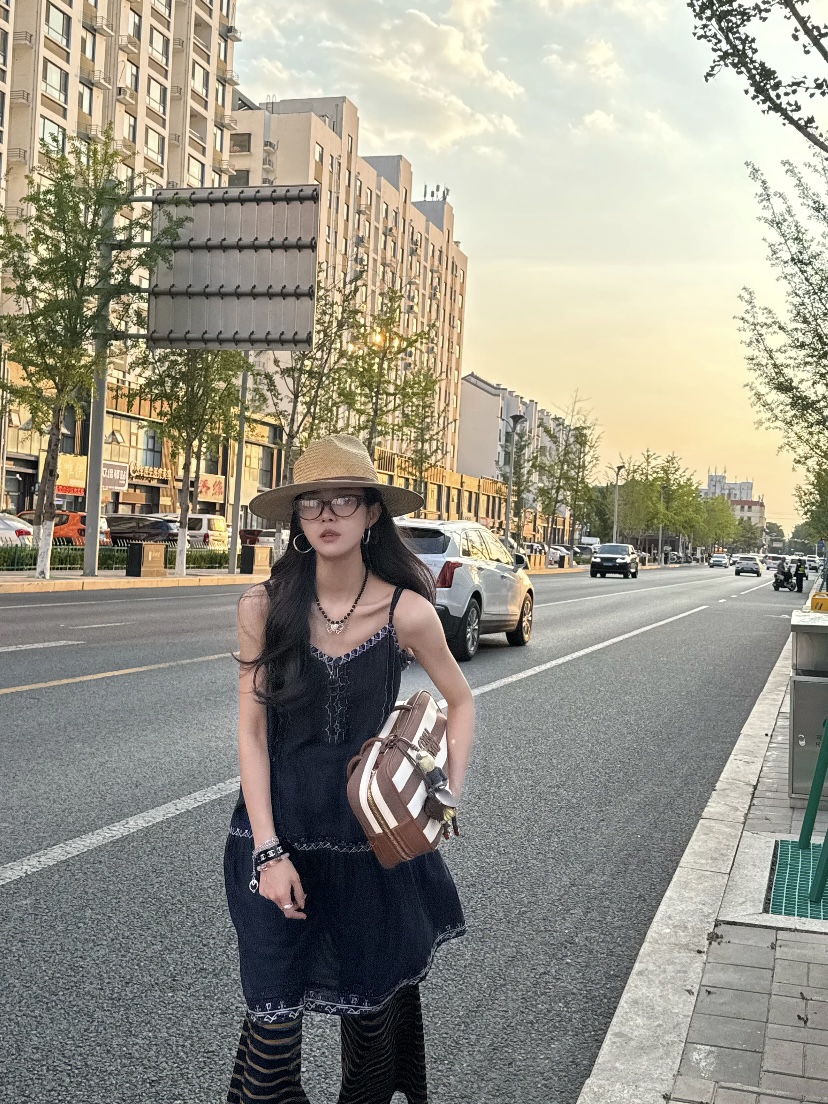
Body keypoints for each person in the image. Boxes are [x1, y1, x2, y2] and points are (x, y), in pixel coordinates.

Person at [224, 433, 474, 1104]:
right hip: (277, 837)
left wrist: (445, 795)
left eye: (344, 501)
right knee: (272, 1024)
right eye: (312, 503)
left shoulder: (406, 612)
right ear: (298, 519)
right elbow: (251, 732)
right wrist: (268, 851)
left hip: (370, 842)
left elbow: (459, 700)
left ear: (371, 513)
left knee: (371, 1022)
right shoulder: (263, 607)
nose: (327, 515)